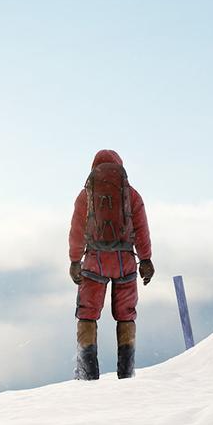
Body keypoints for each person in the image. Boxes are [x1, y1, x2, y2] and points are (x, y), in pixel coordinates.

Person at [68, 149, 154, 380]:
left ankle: (87, 375)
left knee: (88, 315)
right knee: (126, 316)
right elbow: (141, 229)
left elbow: (77, 231)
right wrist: (145, 259)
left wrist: (75, 261)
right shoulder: (131, 195)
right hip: (125, 261)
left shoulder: (85, 196)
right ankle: (126, 373)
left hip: (95, 261)